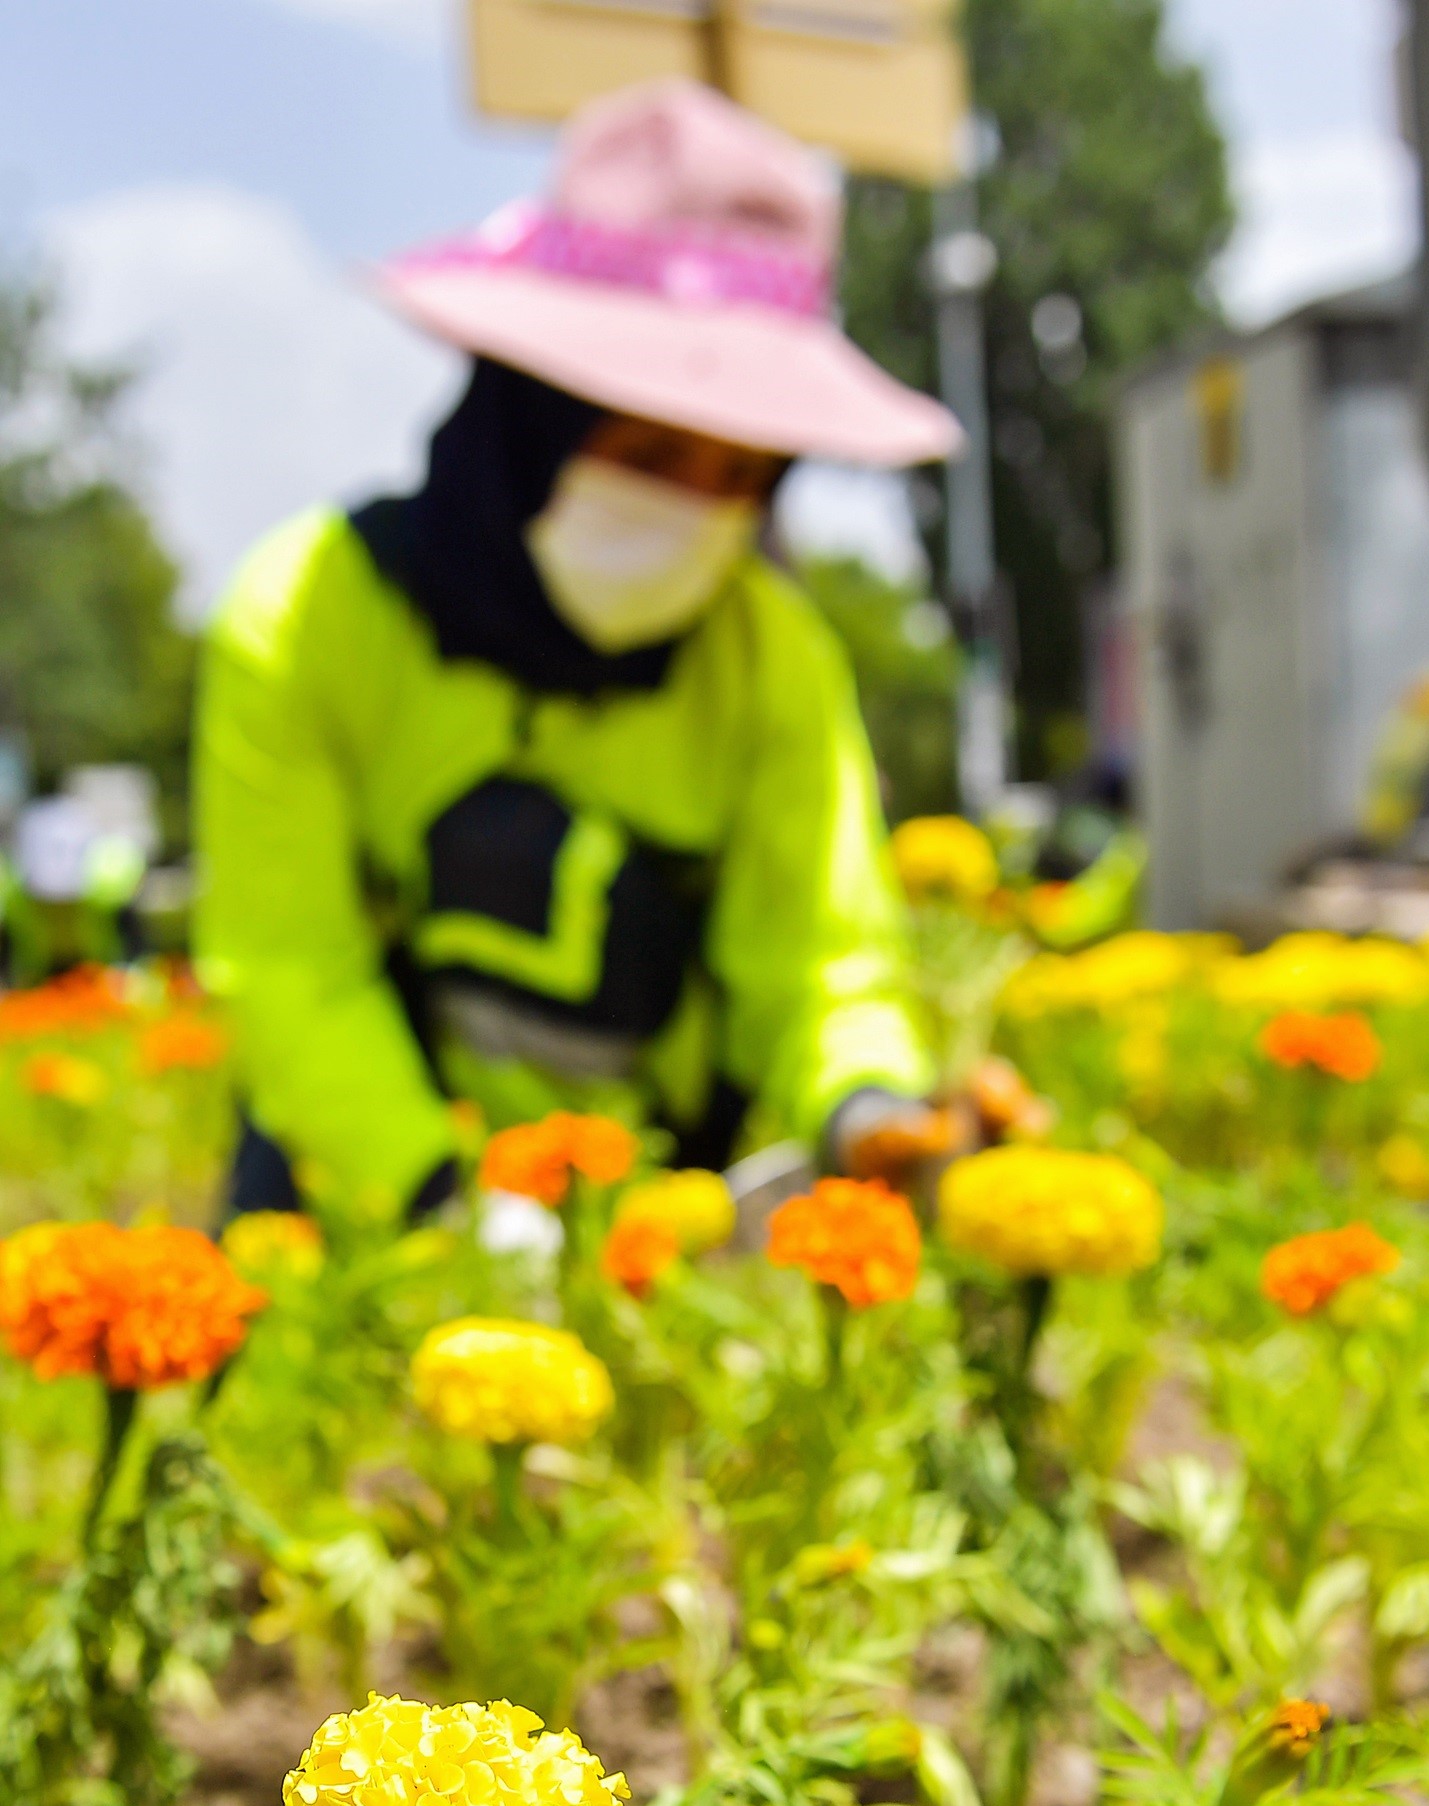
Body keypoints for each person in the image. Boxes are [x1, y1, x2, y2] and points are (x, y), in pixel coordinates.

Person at [195, 78, 961, 1220]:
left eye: (743, 473)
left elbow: (820, 958)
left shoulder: (772, 658)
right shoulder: (307, 617)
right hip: (367, 1189)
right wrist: (442, 1198)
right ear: (534, 408)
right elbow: (291, 968)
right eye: (651, 451)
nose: (696, 511)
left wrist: (868, 1107)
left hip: (661, 1214)